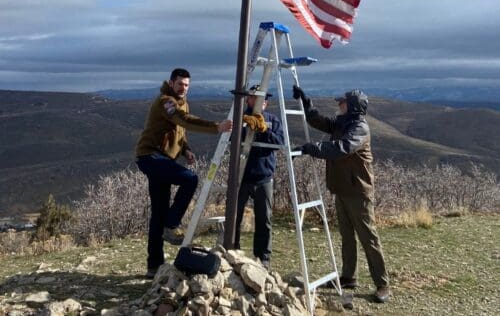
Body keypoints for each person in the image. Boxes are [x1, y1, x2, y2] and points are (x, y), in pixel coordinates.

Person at [293, 86, 390, 303]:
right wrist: (307, 104)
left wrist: (311, 148)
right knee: (347, 236)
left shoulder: (359, 128)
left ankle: (382, 284)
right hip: (343, 189)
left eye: (342, 102)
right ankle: (348, 277)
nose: (339, 105)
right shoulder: (344, 123)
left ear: (353, 106)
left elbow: (341, 148)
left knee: (368, 238)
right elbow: (322, 123)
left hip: (358, 192)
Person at [135, 68, 232, 278]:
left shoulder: (182, 102)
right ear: (171, 83)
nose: (183, 88)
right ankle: (172, 225)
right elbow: (183, 119)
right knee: (190, 179)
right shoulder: (166, 102)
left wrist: (185, 149)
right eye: (180, 84)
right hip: (150, 157)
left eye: (187, 85)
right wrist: (217, 126)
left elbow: (180, 130)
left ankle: (154, 266)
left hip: (163, 160)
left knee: (158, 213)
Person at [234, 85, 284, 270]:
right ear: (248, 99)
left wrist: (264, 130)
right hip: (241, 177)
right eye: (255, 97)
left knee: (264, 220)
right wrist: (244, 126)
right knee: (234, 218)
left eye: (262, 99)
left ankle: (263, 258)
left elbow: (279, 142)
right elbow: (231, 139)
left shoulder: (272, 120)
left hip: (264, 178)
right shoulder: (239, 117)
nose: (259, 101)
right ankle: (233, 251)